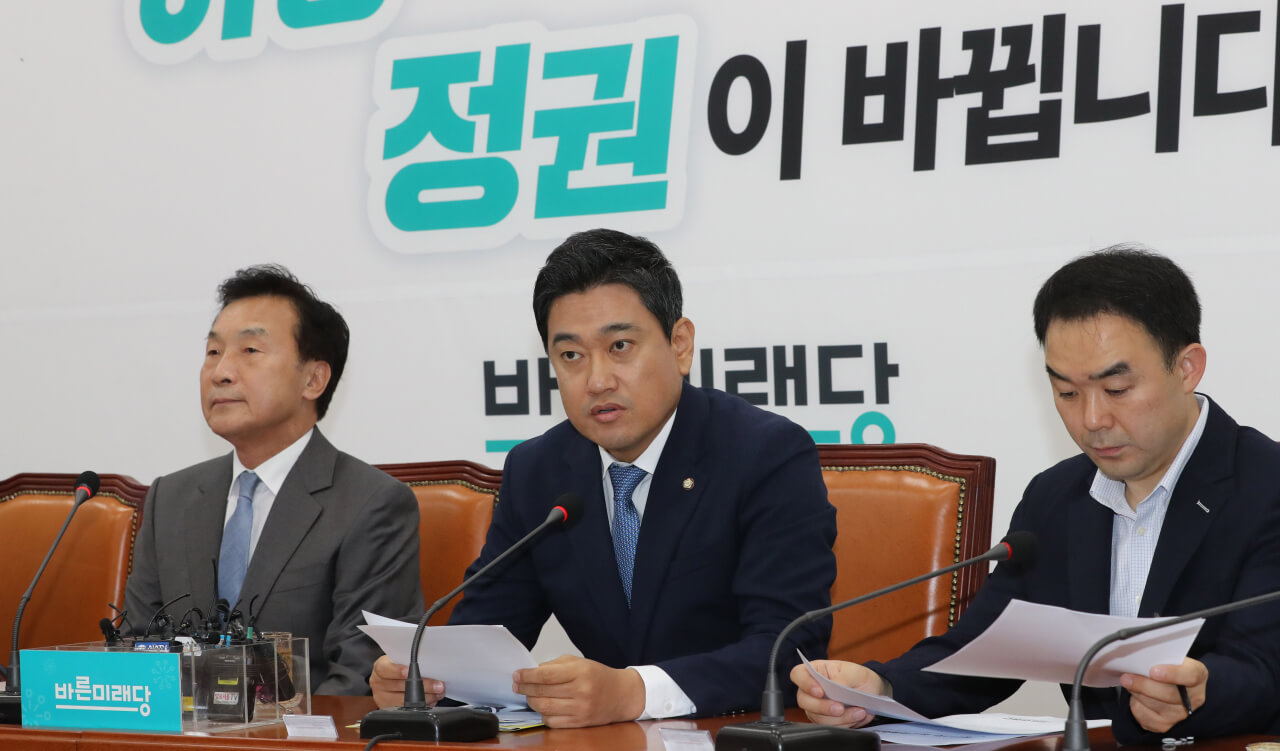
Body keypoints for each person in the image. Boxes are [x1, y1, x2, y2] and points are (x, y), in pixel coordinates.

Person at [793, 245, 1280, 743]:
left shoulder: (1267, 486)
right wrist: (880, 688)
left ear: (1187, 368)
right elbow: (982, 654)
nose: (1092, 419)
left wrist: (1200, 692)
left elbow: (1265, 669)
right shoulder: (1057, 497)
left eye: (1116, 390)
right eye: (1067, 393)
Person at [371, 228, 838, 726]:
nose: (596, 381)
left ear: (680, 344)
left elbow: (787, 650)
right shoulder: (538, 470)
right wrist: (428, 679)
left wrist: (636, 692)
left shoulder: (764, 454)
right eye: (571, 356)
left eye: (620, 346)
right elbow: (486, 635)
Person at [124, 265, 423, 695]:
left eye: (250, 350)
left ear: (313, 379)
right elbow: (136, 651)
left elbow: (360, 677)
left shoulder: (371, 505)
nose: (221, 372)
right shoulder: (169, 499)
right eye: (213, 352)